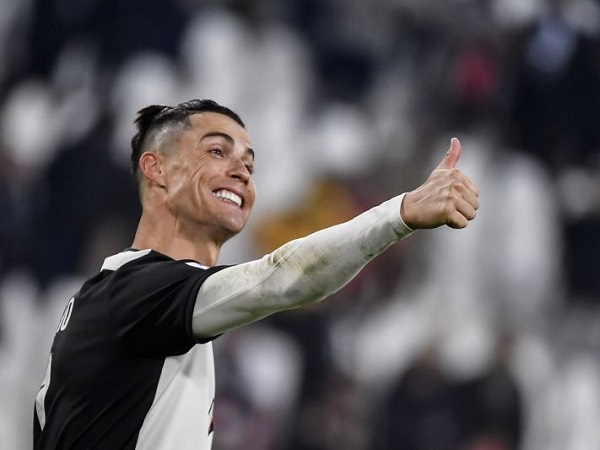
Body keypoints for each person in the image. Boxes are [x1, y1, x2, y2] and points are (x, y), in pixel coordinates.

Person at [33, 99, 479, 449]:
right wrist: (399, 214)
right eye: (216, 151)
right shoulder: (138, 291)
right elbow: (282, 279)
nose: (242, 172)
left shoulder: (124, 304)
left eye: (249, 162)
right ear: (157, 169)